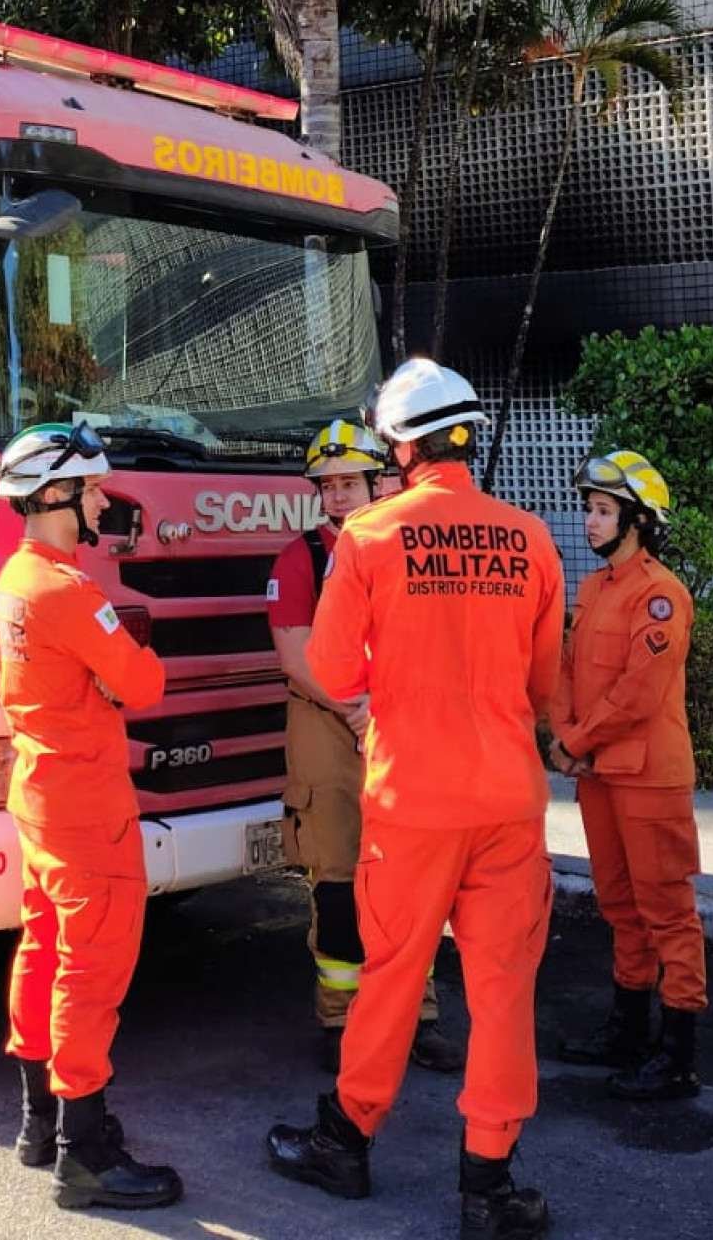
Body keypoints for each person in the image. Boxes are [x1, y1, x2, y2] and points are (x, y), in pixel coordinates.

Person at [264, 360, 564, 1239]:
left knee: (392, 976)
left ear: (399, 445)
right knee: (503, 990)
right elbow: (543, 682)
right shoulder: (532, 536)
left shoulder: (366, 538)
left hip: (410, 803)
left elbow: (330, 669)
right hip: (509, 802)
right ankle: (490, 1183)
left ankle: (346, 1139)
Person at [0, 421, 185, 1211]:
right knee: (91, 969)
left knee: (43, 948)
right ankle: (85, 1149)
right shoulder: (71, 592)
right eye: (93, 488)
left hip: (38, 796)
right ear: (58, 496)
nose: (104, 499)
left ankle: (40, 1121)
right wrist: (119, 670)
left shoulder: (11, 582)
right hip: (88, 807)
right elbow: (145, 684)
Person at [268, 419, 456, 1074]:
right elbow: (295, 657)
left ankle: (419, 1013)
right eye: (328, 484)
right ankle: (338, 1017)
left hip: (396, 723)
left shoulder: (404, 548)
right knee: (340, 883)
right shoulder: (301, 558)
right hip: (332, 728)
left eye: (349, 481)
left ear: (379, 481)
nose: (338, 495)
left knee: (411, 881)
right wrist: (356, 710)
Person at [549, 450, 706, 1102]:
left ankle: (677, 1055)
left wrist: (576, 740)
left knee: (667, 910)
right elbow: (566, 667)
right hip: (600, 775)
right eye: (589, 507)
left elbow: (639, 694)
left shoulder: (662, 594)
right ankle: (627, 1030)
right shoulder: (593, 589)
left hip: (648, 777)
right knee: (619, 904)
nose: (588, 520)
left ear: (637, 520)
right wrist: (563, 737)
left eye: (602, 510)